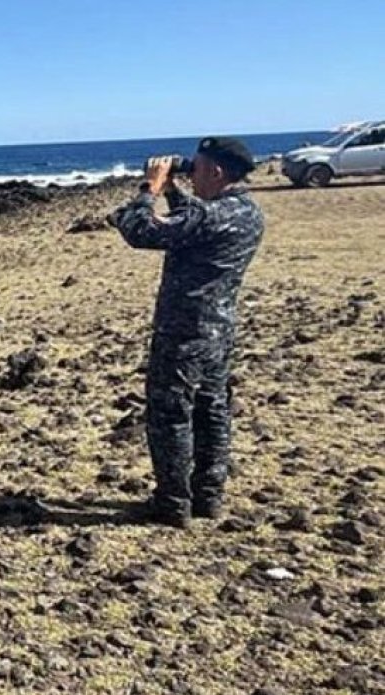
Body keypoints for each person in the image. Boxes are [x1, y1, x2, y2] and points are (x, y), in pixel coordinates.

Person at [109, 136, 264, 528]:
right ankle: (208, 496)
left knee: (171, 415)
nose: (191, 175)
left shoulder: (209, 216)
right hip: (219, 331)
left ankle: (173, 502)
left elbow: (140, 231)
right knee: (213, 412)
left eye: (196, 168)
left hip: (182, 332)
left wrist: (149, 189)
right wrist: (174, 190)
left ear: (215, 171)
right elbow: (192, 223)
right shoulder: (247, 212)